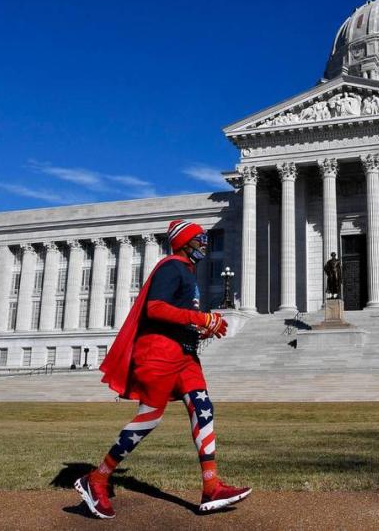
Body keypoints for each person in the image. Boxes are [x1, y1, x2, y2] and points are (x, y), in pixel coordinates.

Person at [74, 220, 251, 518]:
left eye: (206, 238)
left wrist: (201, 326)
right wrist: (200, 319)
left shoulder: (187, 271)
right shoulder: (172, 266)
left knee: (203, 407)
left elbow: (180, 314)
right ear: (184, 242)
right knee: (149, 418)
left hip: (184, 354)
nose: (205, 244)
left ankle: (211, 486)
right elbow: (154, 308)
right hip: (159, 351)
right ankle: (97, 478)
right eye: (200, 239)